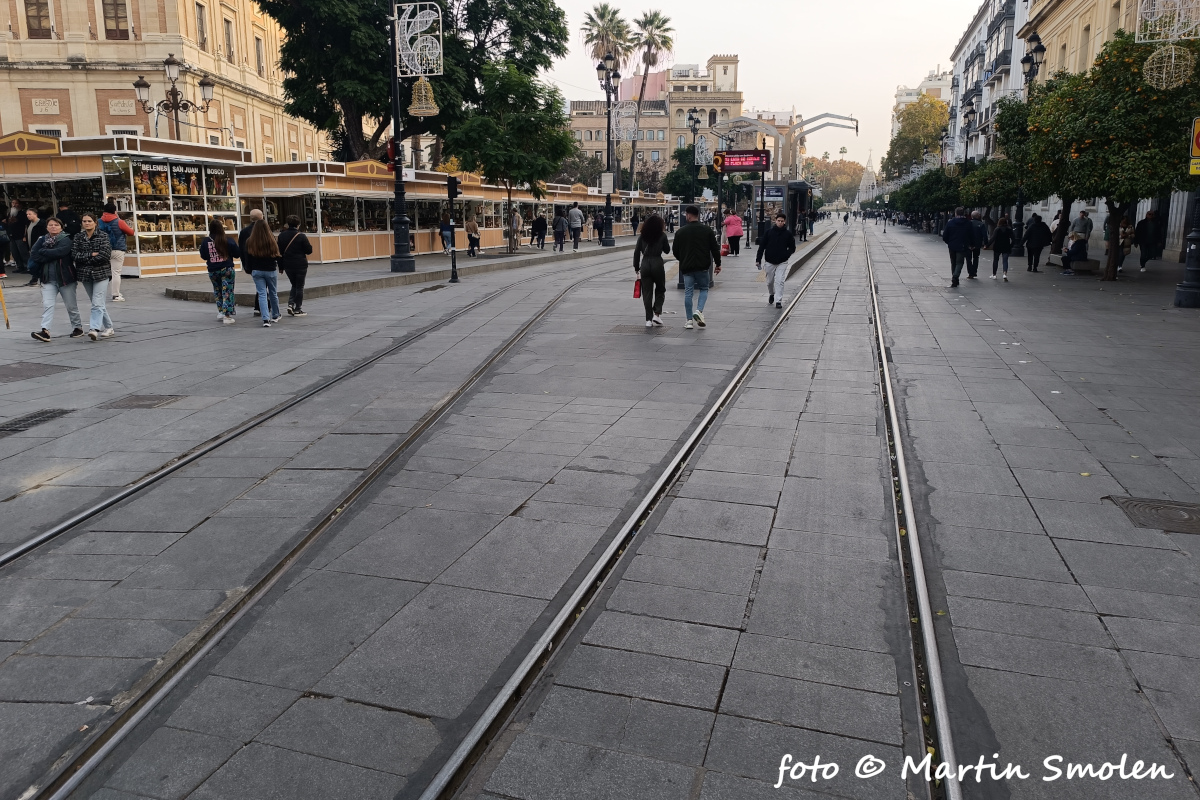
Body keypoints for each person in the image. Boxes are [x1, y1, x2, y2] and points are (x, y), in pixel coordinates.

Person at [29, 217, 83, 342]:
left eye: (56, 225)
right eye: (50, 225)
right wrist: (46, 254)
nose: (53, 227)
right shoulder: (42, 239)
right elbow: (34, 254)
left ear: (61, 227)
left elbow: (61, 252)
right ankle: (45, 330)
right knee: (48, 305)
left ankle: (77, 327)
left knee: (71, 305)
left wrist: (44, 252)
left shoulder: (66, 239)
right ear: (47, 227)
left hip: (66, 278)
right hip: (47, 279)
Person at [672, 205, 721, 329]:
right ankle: (699, 311)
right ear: (698, 215)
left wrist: (682, 259)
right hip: (702, 266)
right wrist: (718, 263)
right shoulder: (707, 230)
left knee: (688, 292)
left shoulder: (680, 232)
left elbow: (675, 251)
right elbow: (715, 248)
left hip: (687, 267)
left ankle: (689, 321)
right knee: (704, 289)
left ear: (688, 215)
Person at [73, 213, 114, 340]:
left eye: (89, 221)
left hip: (101, 273)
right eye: (84, 221)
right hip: (85, 274)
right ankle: (109, 327)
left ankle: (94, 328)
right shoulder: (78, 237)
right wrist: (91, 255)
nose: (87, 223)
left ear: (95, 222)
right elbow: (75, 255)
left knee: (97, 302)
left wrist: (85, 258)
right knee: (97, 302)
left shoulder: (103, 236)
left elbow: (104, 255)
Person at [199, 219, 241, 324]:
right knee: (227, 291)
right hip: (227, 268)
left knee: (217, 291)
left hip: (213, 270)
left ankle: (221, 311)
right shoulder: (228, 240)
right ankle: (227, 315)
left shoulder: (205, 241)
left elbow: (204, 256)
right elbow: (237, 253)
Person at [633, 214, 670, 328]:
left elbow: (636, 252)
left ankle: (648, 320)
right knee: (660, 288)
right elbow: (667, 250)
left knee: (647, 293)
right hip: (657, 263)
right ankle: (657, 314)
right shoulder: (662, 235)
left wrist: (636, 267)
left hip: (645, 264)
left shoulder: (642, 236)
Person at [243, 219, 281, 326]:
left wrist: (248, 269)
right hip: (270, 270)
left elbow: (248, 257)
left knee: (262, 294)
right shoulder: (272, 239)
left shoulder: (250, 241)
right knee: (273, 293)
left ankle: (265, 319)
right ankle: (275, 314)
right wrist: (281, 267)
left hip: (257, 270)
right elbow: (277, 254)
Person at [756, 212, 796, 309]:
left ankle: (778, 300)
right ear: (775, 221)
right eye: (778, 221)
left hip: (782, 261)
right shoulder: (769, 232)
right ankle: (771, 293)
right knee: (770, 282)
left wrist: (786, 254)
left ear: (784, 222)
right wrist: (758, 259)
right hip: (769, 261)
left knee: (780, 281)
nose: (780, 222)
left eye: (782, 221)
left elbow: (792, 248)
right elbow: (762, 247)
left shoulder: (788, 234)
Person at [97, 202, 134, 301]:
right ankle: (116, 295)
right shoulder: (119, 221)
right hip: (117, 249)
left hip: (102, 250)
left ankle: (98, 293)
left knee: (103, 272)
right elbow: (131, 232)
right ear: (115, 211)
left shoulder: (98, 221)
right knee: (116, 273)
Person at [277, 215, 312, 316]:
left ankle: (291, 304)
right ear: (298, 224)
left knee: (294, 284)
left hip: (288, 264)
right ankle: (297, 308)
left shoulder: (281, 236)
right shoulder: (301, 236)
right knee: (299, 286)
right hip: (300, 264)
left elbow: (279, 252)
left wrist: (281, 267)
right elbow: (308, 250)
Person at [941, 207, 972, 288]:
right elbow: (971, 235)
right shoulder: (968, 223)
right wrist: (971, 244)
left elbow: (945, 236)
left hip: (952, 246)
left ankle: (954, 278)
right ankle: (955, 277)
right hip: (962, 245)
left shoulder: (950, 222)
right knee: (960, 262)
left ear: (956, 213)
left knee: (953, 262)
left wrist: (949, 242)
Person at [23, 208, 48, 286]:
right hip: (31, 246)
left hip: (39, 247)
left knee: (34, 264)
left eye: (30, 214)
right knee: (35, 263)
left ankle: (38, 278)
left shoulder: (42, 223)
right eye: (27, 214)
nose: (28, 216)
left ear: (35, 214)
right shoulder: (28, 223)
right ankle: (35, 278)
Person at [988, 216, 1014, 281]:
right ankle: (1004, 274)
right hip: (1006, 246)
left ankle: (994, 274)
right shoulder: (1009, 229)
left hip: (998, 246)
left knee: (996, 260)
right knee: (1005, 261)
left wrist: (987, 245)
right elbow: (1013, 239)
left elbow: (993, 238)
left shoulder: (997, 229)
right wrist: (1011, 245)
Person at [967, 210, 987, 279]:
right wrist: (985, 244)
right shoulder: (981, 224)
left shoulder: (968, 223)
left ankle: (970, 273)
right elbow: (984, 235)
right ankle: (974, 271)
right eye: (979, 214)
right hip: (977, 244)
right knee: (976, 258)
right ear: (977, 216)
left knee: (968, 259)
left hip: (968, 244)